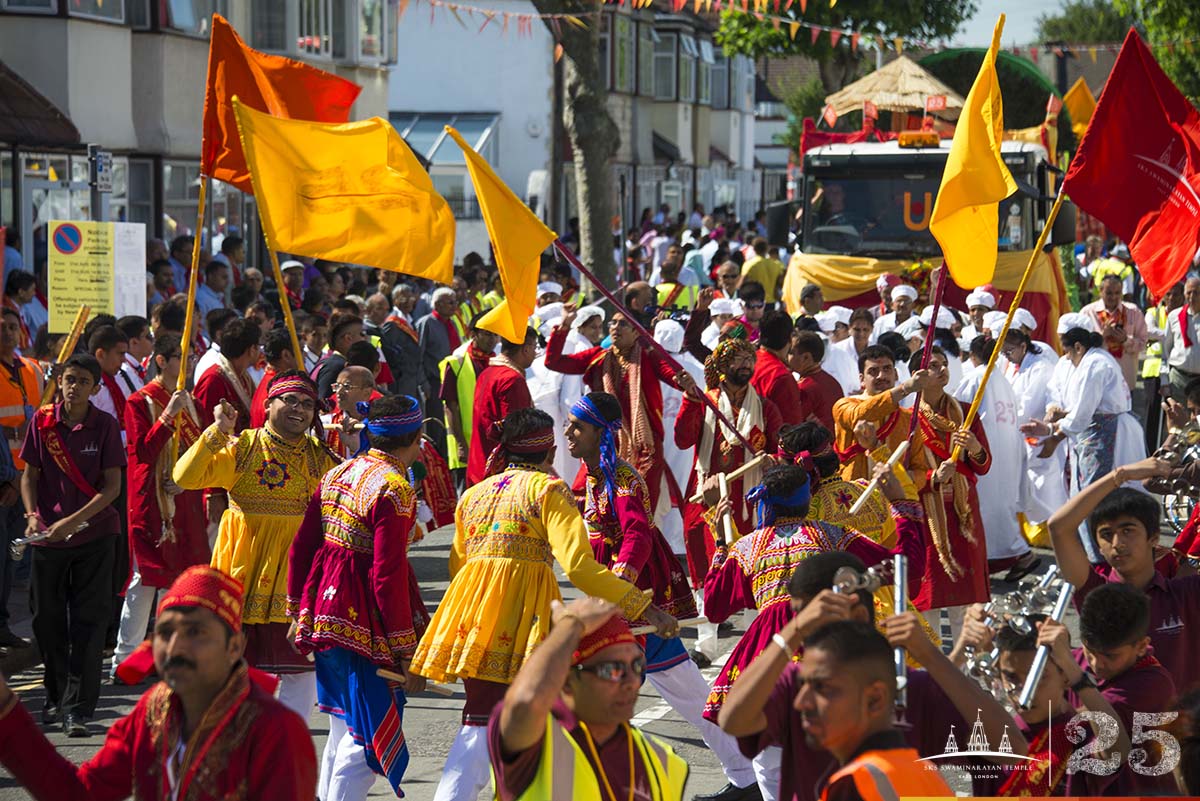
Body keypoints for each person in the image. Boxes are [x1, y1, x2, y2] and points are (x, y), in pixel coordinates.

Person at [409, 408, 676, 801]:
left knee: (496, 723)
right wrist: (642, 606)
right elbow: (580, 567)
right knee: (488, 727)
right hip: (523, 617)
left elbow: (457, 564)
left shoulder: (475, 493)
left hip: (471, 615)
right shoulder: (549, 490)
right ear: (549, 451)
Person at [565, 392, 759, 801]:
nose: (567, 432)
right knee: (684, 692)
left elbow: (636, 533)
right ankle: (746, 774)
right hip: (621, 601)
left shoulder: (621, 479)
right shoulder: (594, 478)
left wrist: (621, 585)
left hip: (637, 599)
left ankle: (747, 774)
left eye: (577, 426)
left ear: (601, 433)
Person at [702, 463, 929, 801]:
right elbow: (902, 566)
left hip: (768, 648)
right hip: (826, 645)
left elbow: (714, 607)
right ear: (808, 500)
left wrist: (721, 541)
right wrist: (900, 505)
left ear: (767, 504)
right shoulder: (831, 536)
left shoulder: (748, 548)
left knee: (770, 759)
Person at [0, 565, 317, 800]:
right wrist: (5, 706)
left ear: (234, 647)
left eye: (196, 632)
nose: (175, 646)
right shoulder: (154, 711)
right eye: (165, 632)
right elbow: (79, 794)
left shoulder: (276, 730)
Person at [288, 394, 431, 799]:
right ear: (414, 438)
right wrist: (405, 649)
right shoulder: (394, 488)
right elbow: (387, 575)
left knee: (341, 723)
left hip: (323, 608)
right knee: (364, 735)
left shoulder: (339, 472)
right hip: (363, 616)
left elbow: (303, 544)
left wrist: (297, 609)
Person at [173, 370, 339, 719]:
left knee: (301, 668)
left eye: (307, 404)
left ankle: (286, 741)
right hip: (244, 572)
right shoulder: (244, 446)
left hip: (297, 577)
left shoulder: (320, 455)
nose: (299, 409)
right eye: (290, 400)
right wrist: (218, 432)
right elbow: (185, 477)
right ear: (267, 404)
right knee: (239, 671)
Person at [487, 597, 689, 801]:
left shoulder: (662, 761)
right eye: (612, 670)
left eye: (637, 666)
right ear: (566, 679)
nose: (633, 682)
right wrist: (571, 625)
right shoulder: (541, 739)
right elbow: (525, 702)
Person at [19, 354, 125, 735]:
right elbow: (29, 475)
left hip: (95, 537)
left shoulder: (105, 426)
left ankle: (77, 710)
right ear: (59, 382)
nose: (74, 387)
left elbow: (112, 487)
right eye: (68, 379)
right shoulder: (42, 422)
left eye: (82, 381)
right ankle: (55, 694)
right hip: (48, 538)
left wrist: (73, 522)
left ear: (95, 388)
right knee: (45, 621)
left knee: (88, 623)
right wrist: (33, 515)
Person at [1048, 458, 1200, 693]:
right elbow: (1058, 527)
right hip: (1114, 725)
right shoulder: (1093, 591)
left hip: (1177, 727)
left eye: (1128, 531)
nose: (1117, 544)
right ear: (1098, 545)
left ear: (1154, 538)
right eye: (1107, 534)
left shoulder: (1185, 594)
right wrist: (1121, 475)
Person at [112, 334, 209, 678]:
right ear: (161, 362)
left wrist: (187, 480)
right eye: (183, 359)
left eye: (193, 358)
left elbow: (199, 451)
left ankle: (166, 654)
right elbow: (143, 451)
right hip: (152, 501)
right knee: (145, 578)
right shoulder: (141, 402)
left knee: (177, 578)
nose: (190, 366)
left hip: (184, 500)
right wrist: (169, 415)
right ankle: (124, 659)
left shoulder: (190, 401)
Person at [546, 304, 696, 512]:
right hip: (604, 442)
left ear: (636, 332)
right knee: (593, 502)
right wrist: (564, 325)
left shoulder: (647, 357)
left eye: (623, 323)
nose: (616, 327)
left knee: (640, 506)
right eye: (613, 322)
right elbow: (553, 362)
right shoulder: (598, 357)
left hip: (644, 444)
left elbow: (673, 376)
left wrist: (683, 381)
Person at [1022, 326, 1147, 563]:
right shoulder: (1094, 361)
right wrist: (1051, 429)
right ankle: (1094, 556)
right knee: (1086, 496)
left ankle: (1099, 560)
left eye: (1068, 352)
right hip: (1094, 434)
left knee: (1093, 497)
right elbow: (1082, 412)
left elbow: (1082, 414)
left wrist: (1053, 437)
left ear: (1078, 347)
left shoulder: (1094, 365)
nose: (1068, 358)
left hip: (1103, 436)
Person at [1053, 583, 1177, 795]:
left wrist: (1073, 675)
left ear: (1140, 646)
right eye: (1089, 650)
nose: (1096, 664)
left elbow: (1089, 720)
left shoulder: (1154, 685)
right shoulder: (1076, 661)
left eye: (1110, 656)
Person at [676, 339, 782, 584]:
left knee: (749, 564)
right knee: (706, 556)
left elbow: (779, 451)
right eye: (738, 359)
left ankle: (748, 614)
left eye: (749, 359)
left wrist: (772, 460)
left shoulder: (765, 408)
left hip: (748, 500)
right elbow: (683, 439)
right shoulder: (704, 401)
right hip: (709, 494)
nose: (745, 364)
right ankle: (709, 618)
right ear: (724, 364)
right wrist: (690, 401)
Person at [906, 347, 990, 624]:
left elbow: (984, 464)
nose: (942, 369)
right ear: (917, 375)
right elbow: (901, 474)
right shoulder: (907, 420)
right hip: (927, 515)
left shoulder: (966, 413)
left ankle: (965, 665)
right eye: (933, 366)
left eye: (943, 364)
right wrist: (932, 477)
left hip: (963, 512)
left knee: (966, 603)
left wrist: (975, 447)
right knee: (926, 597)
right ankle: (927, 664)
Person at [954, 335, 1038, 580]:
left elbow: (959, 414)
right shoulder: (1003, 380)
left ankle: (1016, 555)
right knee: (999, 510)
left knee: (984, 510)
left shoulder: (974, 379)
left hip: (985, 453)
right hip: (1005, 452)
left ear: (972, 356)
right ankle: (1008, 558)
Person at [831, 345, 932, 487]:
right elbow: (860, 415)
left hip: (893, 503)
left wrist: (902, 477)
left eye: (887, 369)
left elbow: (920, 470)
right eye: (873, 371)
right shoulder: (843, 405)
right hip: (852, 498)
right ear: (862, 379)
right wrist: (904, 388)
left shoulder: (908, 418)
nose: (881, 376)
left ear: (896, 374)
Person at [1081, 272, 1148, 391]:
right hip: (1096, 381)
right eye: (1109, 293)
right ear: (1100, 291)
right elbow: (1079, 347)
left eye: (1117, 293)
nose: (1113, 297)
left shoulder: (1133, 311)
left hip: (1124, 381)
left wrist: (1126, 340)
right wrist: (1101, 336)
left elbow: (1143, 343)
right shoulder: (1087, 313)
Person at [193, 317, 259, 433]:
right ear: (252, 349)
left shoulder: (244, 377)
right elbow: (205, 427)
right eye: (258, 346)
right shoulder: (212, 380)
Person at [751, 311, 803, 422]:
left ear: (760, 335)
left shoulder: (747, 362)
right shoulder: (782, 377)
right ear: (790, 339)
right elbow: (791, 429)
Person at [321, 365, 382, 459]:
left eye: (346, 386)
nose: (339, 391)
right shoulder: (325, 424)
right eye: (337, 386)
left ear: (367, 393)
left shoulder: (378, 428)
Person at [789, 331, 844, 433]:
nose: (787, 356)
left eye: (791, 352)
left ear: (806, 357)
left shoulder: (804, 388)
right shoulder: (833, 382)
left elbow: (795, 423)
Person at [1159, 275, 1200, 404]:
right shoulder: (1174, 316)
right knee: (1176, 420)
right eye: (1189, 293)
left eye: (1197, 292)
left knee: (1197, 422)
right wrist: (1164, 381)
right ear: (1184, 294)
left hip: (1198, 382)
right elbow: (1166, 351)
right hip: (1178, 379)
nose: (1192, 297)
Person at [248, 328, 298, 429]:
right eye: (300, 350)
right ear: (286, 355)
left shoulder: (269, 379)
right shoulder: (282, 387)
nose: (304, 356)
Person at [382, 283, 424, 399]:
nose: (408, 301)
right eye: (403, 298)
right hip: (401, 382)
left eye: (410, 298)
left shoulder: (410, 320)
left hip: (413, 380)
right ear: (395, 300)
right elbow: (390, 354)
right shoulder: (392, 323)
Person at [313, 312, 365, 404]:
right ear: (348, 338)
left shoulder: (334, 362)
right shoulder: (335, 367)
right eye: (361, 334)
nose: (364, 339)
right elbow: (324, 404)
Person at [738, 238, 784, 305]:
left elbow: (741, 284)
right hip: (771, 302)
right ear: (767, 249)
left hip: (754, 303)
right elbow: (780, 284)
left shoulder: (749, 264)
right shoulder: (776, 265)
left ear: (753, 249)